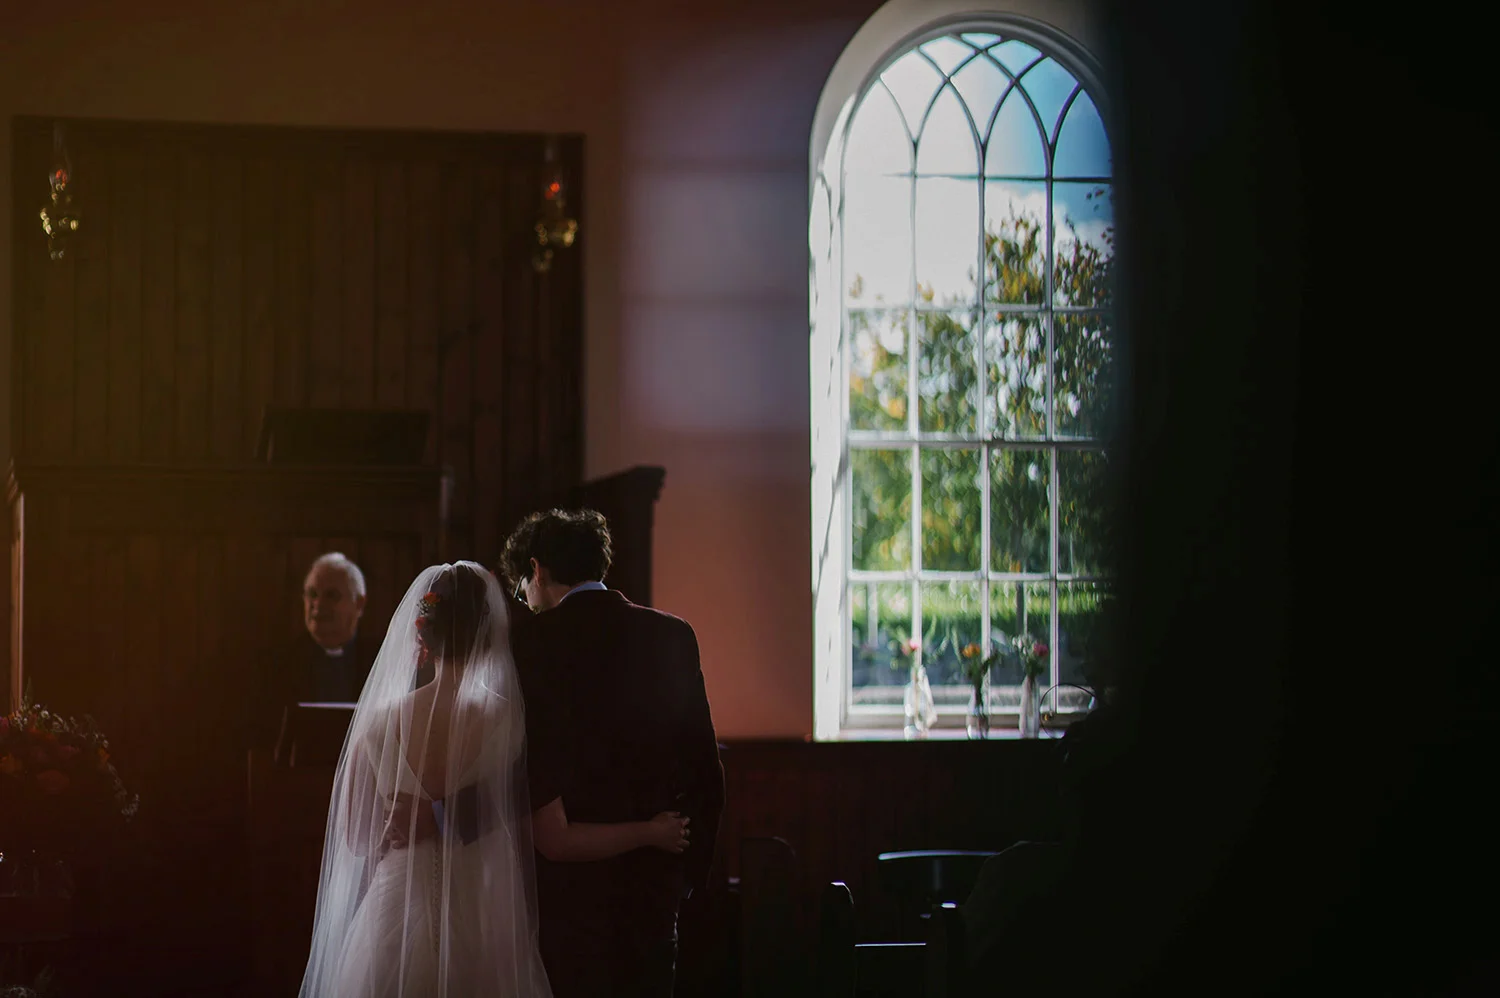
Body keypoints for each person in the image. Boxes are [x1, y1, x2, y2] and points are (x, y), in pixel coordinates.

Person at [298, 561, 690, 998]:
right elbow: (553, 837)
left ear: (422, 634)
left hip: (393, 916)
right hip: (483, 916)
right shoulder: (509, 721)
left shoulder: (378, 723)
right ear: (490, 634)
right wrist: (650, 831)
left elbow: (354, 838)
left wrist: (405, 823)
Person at [500, 508, 725, 998]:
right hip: (652, 890)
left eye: (523, 590)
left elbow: (535, 769)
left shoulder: (532, 645)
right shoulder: (673, 635)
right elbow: (706, 771)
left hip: (566, 895)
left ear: (537, 571)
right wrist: (681, 879)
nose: (527, 602)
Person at [249, 552, 372, 754]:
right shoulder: (276, 665)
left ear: (359, 603)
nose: (318, 605)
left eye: (331, 595)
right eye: (312, 594)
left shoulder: (377, 661)